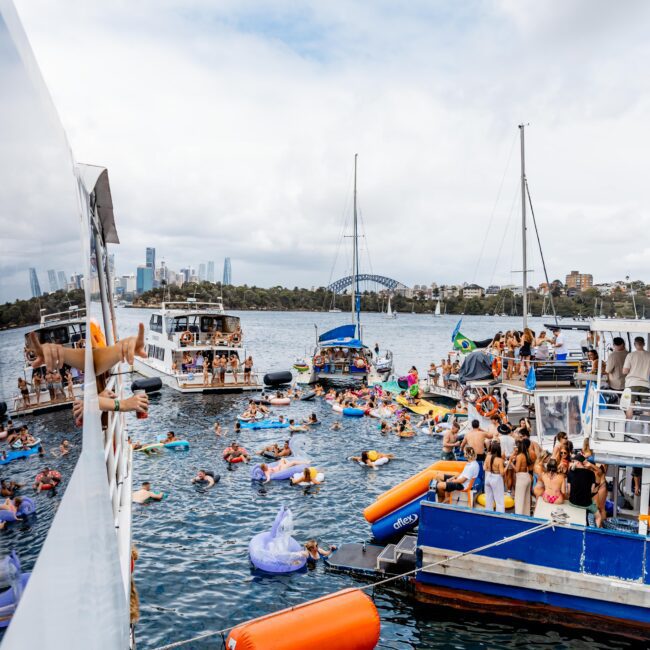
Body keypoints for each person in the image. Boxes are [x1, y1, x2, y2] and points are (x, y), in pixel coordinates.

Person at [567, 454, 601, 527]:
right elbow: (592, 490)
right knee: (598, 517)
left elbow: (569, 491)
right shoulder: (591, 473)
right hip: (586, 504)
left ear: (578, 463)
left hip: (572, 502)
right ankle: (595, 532)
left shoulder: (570, 472)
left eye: (573, 461)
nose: (572, 463)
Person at [622, 336, 650, 418]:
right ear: (644, 344)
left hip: (631, 384)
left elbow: (625, 371)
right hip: (645, 384)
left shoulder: (630, 355)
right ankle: (646, 428)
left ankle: (627, 425)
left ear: (634, 344)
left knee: (630, 406)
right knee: (646, 408)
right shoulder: (649, 355)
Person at [483, 440, 506, 513]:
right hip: (496, 478)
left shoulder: (488, 457)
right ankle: (500, 516)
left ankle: (488, 514)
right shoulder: (499, 460)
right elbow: (502, 473)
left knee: (489, 499)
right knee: (499, 500)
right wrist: (509, 463)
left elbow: (484, 468)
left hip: (488, 477)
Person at [511, 438, 532, 515]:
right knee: (526, 500)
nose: (515, 448)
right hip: (526, 476)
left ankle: (518, 515)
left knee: (519, 499)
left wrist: (510, 462)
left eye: (516, 447)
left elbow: (516, 469)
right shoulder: (525, 454)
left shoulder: (520, 456)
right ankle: (526, 515)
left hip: (521, 478)